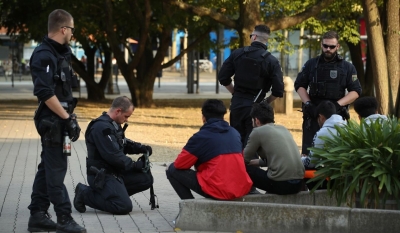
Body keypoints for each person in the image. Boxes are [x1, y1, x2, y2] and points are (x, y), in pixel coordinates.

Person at [28, 9, 86, 233]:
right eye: (71, 29)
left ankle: (38, 215)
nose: (73, 33)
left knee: (47, 168)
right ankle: (64, 218)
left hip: (61, 119)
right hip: (52, 122)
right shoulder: (44, 55)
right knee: (56, 171)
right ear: (63, 29)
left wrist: (70, 116)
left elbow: (63, 92)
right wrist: (66, 118)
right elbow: (44, 92)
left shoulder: (61, 53)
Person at [73, 96, 153, 215]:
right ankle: (84, 194)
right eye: (126, 116)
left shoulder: (112, 124)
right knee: (123, 206)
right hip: (101, 175)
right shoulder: (101, 128)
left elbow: (122, 143)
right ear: (118, 111)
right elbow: (114, 156)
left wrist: (141, 148)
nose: (126, 120)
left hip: (115, 172)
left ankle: (115, 193)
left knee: (146, 179)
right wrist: (135, 165)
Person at [166, 99, 253, 200]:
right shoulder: (235, 133)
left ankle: (190, 207)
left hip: (217, 190)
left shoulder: (200, 137)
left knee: (172, 169)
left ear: (203, 118)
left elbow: (179, 164)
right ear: (223, 116)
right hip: (240, 188)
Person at [294, 30, 362, 156]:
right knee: (308, 154)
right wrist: (308, 103)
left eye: (332, 47)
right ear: (321, 45)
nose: (328, 49)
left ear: (338, 46)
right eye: (325, 46)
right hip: (314, 113)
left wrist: (337, 105)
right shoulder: (311, 64)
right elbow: (299, 85)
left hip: (336, 114)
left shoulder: (347, 67)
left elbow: (356, 91)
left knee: (336, 155)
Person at [218, 25, 284, 149]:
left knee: (236, 142)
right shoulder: (272, 61)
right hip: (256, 105)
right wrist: (266, 101)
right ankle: (249, 167)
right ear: (266, 40)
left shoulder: (237, 53)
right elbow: (278, 90)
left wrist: (234, 92)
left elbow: (223, 77)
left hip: (237, 104)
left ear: (254, 37)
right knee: (251, 145)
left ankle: (237, 166)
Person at [243, 102, 305, 195]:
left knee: (245, 169)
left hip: (281, 185)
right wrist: (255, 162)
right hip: (299, 184)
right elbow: (277, 159)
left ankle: (246, 194)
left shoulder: (257, 132)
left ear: (256, 120)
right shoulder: (283, 129)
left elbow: (244, 158)